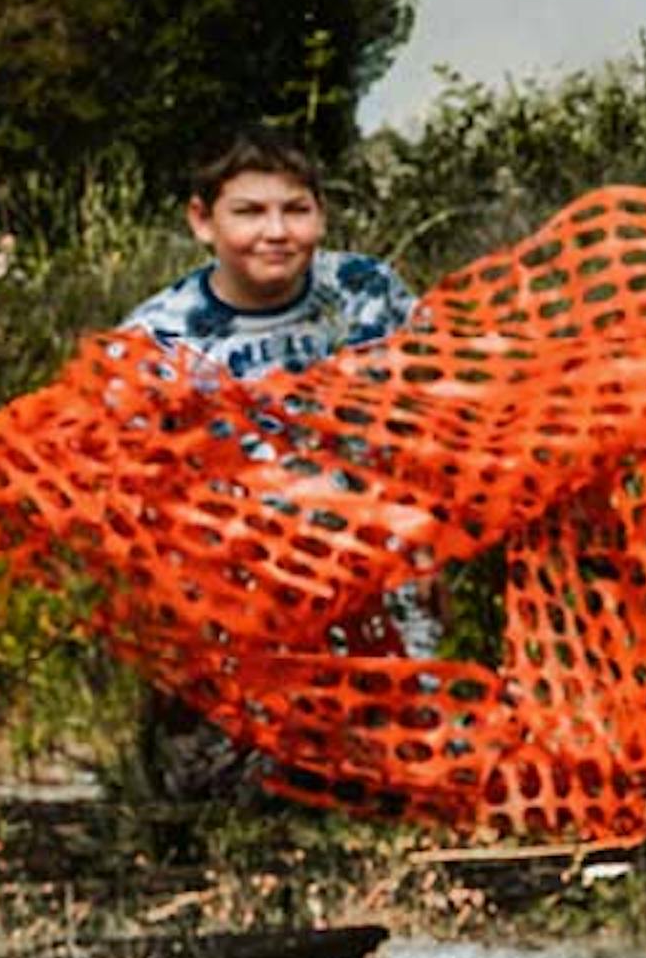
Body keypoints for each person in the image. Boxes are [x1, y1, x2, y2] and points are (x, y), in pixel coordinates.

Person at [112, 129, 419, 802]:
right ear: (203, 220)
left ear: (321, 213)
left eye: (295, 209)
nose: (276, 232)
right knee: (227, 797)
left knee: (401, 788)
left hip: (376, 586)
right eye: (249, 212)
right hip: (239, 605)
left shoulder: (367, 293)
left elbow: (433, 409)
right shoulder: (157, 337)